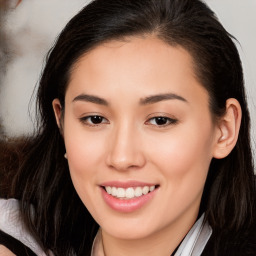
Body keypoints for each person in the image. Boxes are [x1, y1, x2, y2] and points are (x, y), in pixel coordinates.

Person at [0, 0, 255, 255]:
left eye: (160, 120)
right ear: (61, 122)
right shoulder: (19, 235)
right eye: (95, 119)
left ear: (224, 129)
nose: (122, 157)